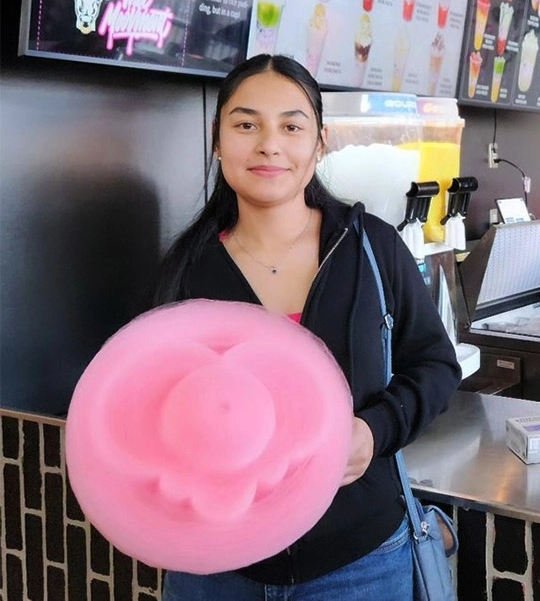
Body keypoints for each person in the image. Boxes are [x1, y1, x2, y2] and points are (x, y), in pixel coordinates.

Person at [152, 54, 461, 599]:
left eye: (291, 126)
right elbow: (152, 407)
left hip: (359, 560)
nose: (269, 143)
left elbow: (436, 366)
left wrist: (375, 430)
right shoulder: (187, 268)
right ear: (218, 139)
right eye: (246, 124)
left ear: (319, 144)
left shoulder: (370, 247)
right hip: (218, 566)